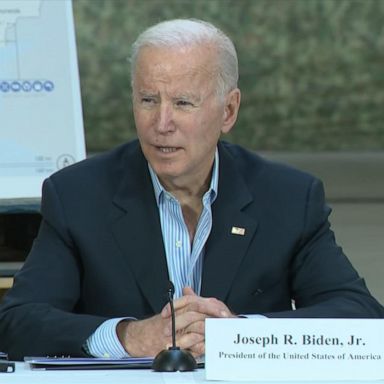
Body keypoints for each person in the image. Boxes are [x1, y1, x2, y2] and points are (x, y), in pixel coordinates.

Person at [0, 19, 383, 361]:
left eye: (183, 103)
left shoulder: (287, 198)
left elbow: (361, 315)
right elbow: (18, 321)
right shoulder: (78, 195)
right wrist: (128, 336)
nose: (161, 123)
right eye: (148, 100)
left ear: (228, 111)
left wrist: (242, 335)